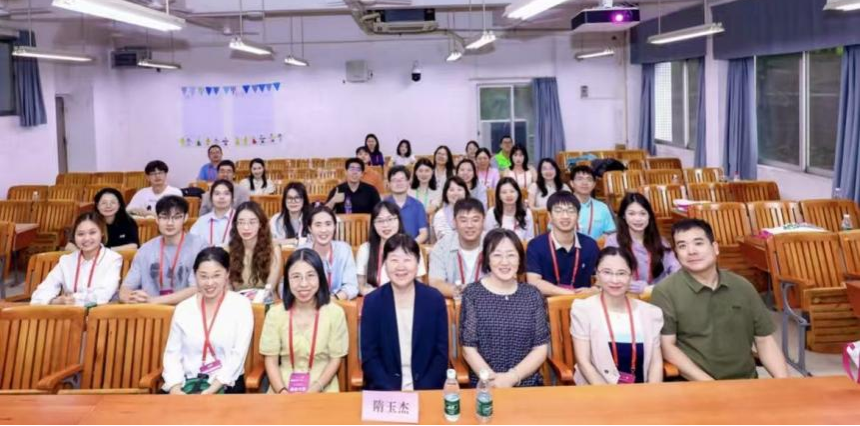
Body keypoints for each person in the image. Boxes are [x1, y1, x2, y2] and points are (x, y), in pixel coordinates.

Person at [650, 219, 789, 381]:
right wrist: (710, 384)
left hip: (745, 382)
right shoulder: (665, 291)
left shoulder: (742, 286)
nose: (691, 251)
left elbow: (764, 340)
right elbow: (667, 347)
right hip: (693, 384)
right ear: (676, 254)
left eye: (698, 243)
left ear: (715, 248)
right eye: (682, 246)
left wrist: (784, 382)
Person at [460, 229, 549, 387]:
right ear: (487, 259)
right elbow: (468, 348)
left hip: (526, 384)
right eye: (497, 255)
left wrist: (512, 377)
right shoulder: (473, 294)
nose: (505, 262)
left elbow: (540, 348)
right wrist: (491, 380)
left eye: (511, 255)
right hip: (485, 385)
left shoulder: (532, 295)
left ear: (520, 259)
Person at [361, 234, 448, 391]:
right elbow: (370, 357)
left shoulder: (434, 300)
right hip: (385, 391)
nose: (400, 267)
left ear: (418, 264)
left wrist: (422, 391)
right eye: (394, 260)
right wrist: (392, 392)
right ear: (385, 264)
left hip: (426, 388)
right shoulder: (372, 302)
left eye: (407, 260)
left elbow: (440, 355)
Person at [162, 247, 253, 395]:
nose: (209, 283)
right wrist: (175, 388)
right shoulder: (183, 309)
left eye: (216, 275)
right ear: (195, 276)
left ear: (227, 274)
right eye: (203, 276)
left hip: (226, 384)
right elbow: (172, 354)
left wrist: (211, 389)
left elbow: (238, 355)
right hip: (187, 384)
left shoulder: (241, 306)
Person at [571, 247, 665, 385]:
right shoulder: (583, 310)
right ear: (597, 274)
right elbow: (584, 362)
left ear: (631, 276)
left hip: (641, 391)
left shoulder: (650, 313)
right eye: (607, 272)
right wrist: (609, 395)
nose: (614, 280)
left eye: (621, 273)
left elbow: (655, 363)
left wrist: (652, 393)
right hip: (597, 390)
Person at [261, 248, 348, 394]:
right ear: (287, 280)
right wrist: (282, 391)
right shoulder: (275, 314)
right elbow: (271, 360)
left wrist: (313, 390)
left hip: (322, 385)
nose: (303, 284)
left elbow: (335, 360)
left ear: (320, 277)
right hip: (282, 385)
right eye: (296, 277)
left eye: (310, 275)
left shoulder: (335, 313)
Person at [120, 196, 208, 305]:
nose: (170, 223)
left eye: (176, 217)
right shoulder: (145, 249)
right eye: (164, 217)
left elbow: (197, 288)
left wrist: (154, 301)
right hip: (149, 311)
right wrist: (131, 298)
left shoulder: (200, 246)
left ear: (185, 218)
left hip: (186, 310)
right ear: (157, 219)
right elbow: (126, 288)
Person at [31, 212, 122, 306]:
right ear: (74, 236)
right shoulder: (66, 261)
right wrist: (55, 301)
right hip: (69, 313)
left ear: (102, 232)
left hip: (99, 313)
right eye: (80, 234)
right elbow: (41, 292)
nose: (86, 238)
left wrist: (73, 299)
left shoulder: (113, 259)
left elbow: (102, 296)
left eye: (92, 232)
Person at [604, 193, 681, 293]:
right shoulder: (613, 241)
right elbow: (609, 274)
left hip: (658, 295)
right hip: (625, 295)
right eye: (632, 214)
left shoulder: (661, 242)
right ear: (623, 216)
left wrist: (651, 289)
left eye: (642, 213)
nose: (638, 219)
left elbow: (676, 271)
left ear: (649, 216)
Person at [526, 191, 599, 295]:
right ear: (550, 216)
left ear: (578, 216)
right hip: (547, 302)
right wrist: (569, 294)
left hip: (583, 302)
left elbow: (603, 276)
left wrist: (594, 289)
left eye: (571, 211)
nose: (565, 216)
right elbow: (534, 282)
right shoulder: (536, 246)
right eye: (558, 211)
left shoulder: (590, 245)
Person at [357, 202, 427, 296]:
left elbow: (419, 283)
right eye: (380, 221)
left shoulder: (412, 247)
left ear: (399, 220)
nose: (385, 225)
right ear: (373, 224)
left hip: (405, 299)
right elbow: (360, 287)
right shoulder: (365, 249)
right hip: (375, 298)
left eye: (390, 219)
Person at [299, 205, 359, 300]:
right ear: (310, 228)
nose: (323, 230)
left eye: (328, 224)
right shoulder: (301, 252)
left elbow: (351, 286)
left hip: (337, 302)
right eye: (318, 225)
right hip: (307, 302)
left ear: (334, 226)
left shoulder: (344, 249)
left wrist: (334, 299)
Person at [429, 198, 486, 299]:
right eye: (463, 220)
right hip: (454, 303)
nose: (469, 225)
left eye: (475, 220)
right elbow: (435, 282)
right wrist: (462, 292)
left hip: (488, 303)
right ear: (454, 222)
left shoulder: (493, 244)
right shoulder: (442, 246)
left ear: (483, 221)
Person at [228, 202, 282, 295]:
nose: (246, 227)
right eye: (241, 222)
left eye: (252, 222)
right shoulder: (227, 250)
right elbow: (228, 287)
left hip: (264, 300)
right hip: (237, 300)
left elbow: (270, 287)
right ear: (236, 225)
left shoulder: (273, 249)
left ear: (260, 224)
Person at [569, 165, 616, 240]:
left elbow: (611, 233)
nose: (585, 183)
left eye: (589, 179)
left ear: (594, 184)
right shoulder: (561, 206)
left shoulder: (602, 207)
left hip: (596, 246)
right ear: (571, 183)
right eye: (580, 179)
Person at [384, 166, 429, 243]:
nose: (399, 183)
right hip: (389, 246)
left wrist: (409, 246)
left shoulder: (418, 205)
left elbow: (424, 233)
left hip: (412, 246)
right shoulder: (383, 206)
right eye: (394, 180)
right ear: (389, 184)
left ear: (409, 182)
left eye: (402, 179)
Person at [485, 177, 534, 242]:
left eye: (512, 191)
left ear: (518, 193)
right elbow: (489, 239)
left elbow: (530, 238)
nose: (509, 195)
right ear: (499, 196)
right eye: (504, 192)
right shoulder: (491, 213)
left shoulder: (526, 213)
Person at [190, 180, 235, 247]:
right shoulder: (202, 220)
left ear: (232, 198)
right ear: (211, 198)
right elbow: (191, 243)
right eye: (217, 194)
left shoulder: (239, 218)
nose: (221, 197)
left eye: (226, 193)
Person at [270, 182, 310, 246]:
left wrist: (283, 241)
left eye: (297, 197)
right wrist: (294, 241)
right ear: (284, 200)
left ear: (304, 200)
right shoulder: (276, 219)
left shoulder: (311, 218)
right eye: (289, 198)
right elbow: (270, 242)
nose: (293, 201)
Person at [432, 177, 470, 242]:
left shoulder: (473, 213)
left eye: (459, 189)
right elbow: (443, 241)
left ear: (465, 192)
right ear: (446, 193)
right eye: (452, 190)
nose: (456, 193)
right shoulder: (440, 215)